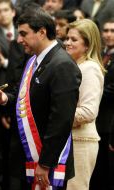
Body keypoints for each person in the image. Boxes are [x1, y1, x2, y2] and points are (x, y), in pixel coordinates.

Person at [0, 8, 81, 190]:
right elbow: (24, 97)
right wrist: (5, 99)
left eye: (23, 34)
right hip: (28, 159)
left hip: (47, 164)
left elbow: (61, 120)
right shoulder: (33, 60)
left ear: (41, 32)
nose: (19, 40)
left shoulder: (62, 64)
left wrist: (45, 164)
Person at [64, 19, 104, 190]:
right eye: (67, 38)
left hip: (81, 141)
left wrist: (58, 119)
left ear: (87, 45)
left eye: (73, 40)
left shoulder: (90, 68)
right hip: (70, 140)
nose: (67, 43)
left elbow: (88, 112)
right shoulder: (75, 66)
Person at [90, 18, 114, 190]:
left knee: (107, 171)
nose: (108, 35)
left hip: (109, 122)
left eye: (113, 31)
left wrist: (91, 94)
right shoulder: (98, 54)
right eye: (105, 31)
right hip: (93, 121)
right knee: (95, 172)